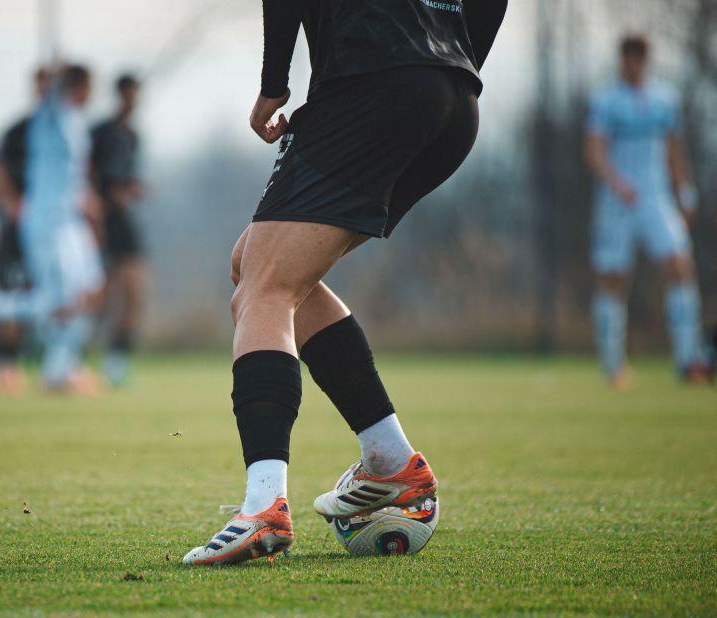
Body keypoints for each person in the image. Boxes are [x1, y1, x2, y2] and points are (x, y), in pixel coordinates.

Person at [182, 0, 507, 566]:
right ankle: (391, 461)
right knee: (257, 268)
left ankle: (264, 506)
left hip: (373, 84)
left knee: (265, 287)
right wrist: (453, 63)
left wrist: (273, 84)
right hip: (454, 100)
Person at [585, 34, 712, 388]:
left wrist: (684, 193)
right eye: (627, 58)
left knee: (679, 267)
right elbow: (594, 151)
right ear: (621, 60)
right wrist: (616, 182)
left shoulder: (663, 100)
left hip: (656, 199)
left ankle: (689, 359)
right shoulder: (606, 101)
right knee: (613, 279)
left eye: (638, 58)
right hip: (618, 202)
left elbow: (674, 151)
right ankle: (613, 365)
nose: (632, 65)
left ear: (645, 60)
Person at [0, 64, 105, 394]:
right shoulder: (45, 118)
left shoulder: (77, 122)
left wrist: (87, 201)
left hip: (71, 221)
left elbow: (74, 174)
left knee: (90, 289)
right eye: (83, 87)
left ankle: (64, 363)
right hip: (47, 223)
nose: (88, 95)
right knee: (59, 298)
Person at [0, 66, 55, 395]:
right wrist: (15, 206)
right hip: (18, 230)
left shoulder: (61, 131)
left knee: (37, 297)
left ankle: (52, 365)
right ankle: (5, 367)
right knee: (12, 297)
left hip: (48, 230)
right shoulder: (20, 131)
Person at [92, 74, 146, 385]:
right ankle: (69, 357)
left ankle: (116, 361)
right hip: (99, 223)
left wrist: (133, 189)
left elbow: (126, 180)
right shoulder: (100, 133)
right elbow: (87, 175)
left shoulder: (133, 137)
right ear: (119, 95)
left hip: (123, 223)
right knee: (99, 296)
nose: (132, 101)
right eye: (128, 95)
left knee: (134, 293)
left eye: (136, 95)